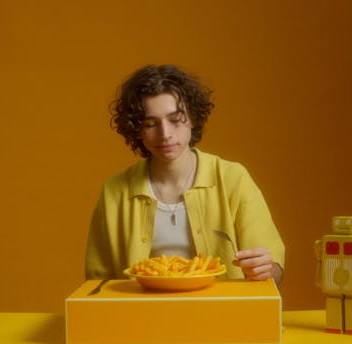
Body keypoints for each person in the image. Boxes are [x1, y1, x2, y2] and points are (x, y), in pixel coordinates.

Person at [85, 64, 285, 286]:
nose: (165, 134)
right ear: (137, 130)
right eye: (151, 124)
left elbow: (274, 274)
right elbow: (97, 284)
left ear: (192, 118)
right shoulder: (115, 190)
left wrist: (264, 269)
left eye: (175, 119)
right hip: (141, 317)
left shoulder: (233, 179)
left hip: (221, 315)